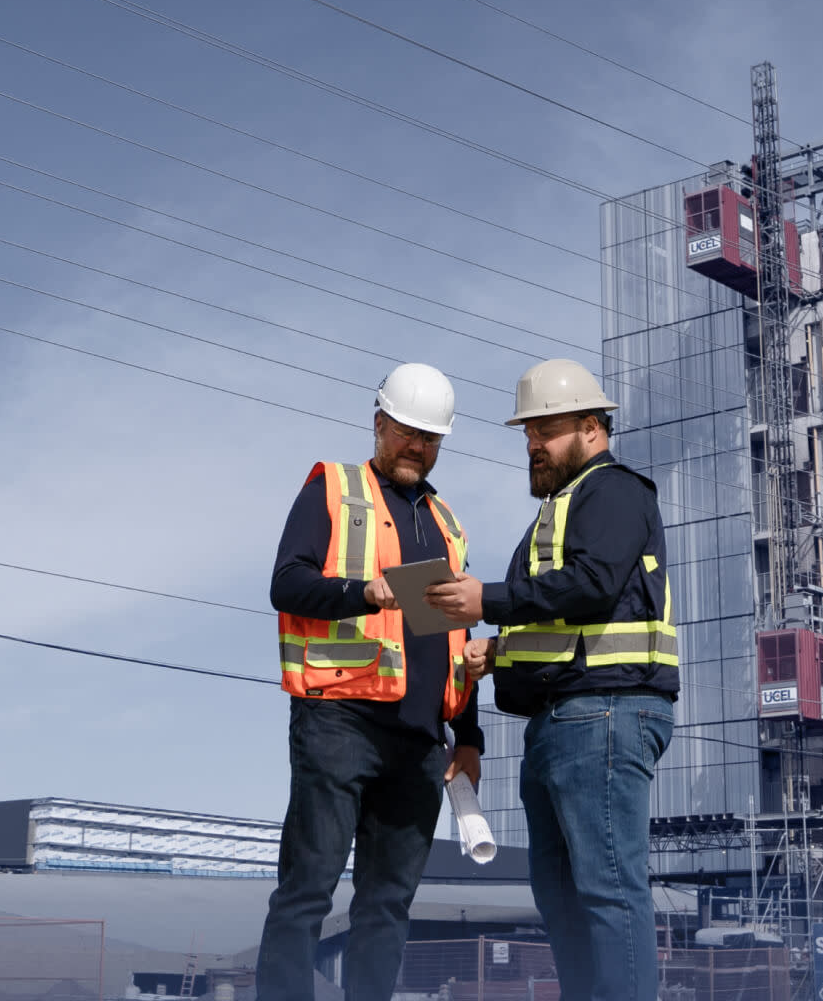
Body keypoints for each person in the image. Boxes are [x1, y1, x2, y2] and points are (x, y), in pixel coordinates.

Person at [425, 357, 676, 1001]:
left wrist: (489, 602)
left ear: (592, 428)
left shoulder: (615, 491)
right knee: (564, 897)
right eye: (527, 432)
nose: (532, 444)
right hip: (566, 721)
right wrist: (497, 655)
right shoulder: (561, 510)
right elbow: (567, 629)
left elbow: (593, 587)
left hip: (607, 715)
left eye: (546, 429)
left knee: (608, 888)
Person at [256, 362, 484, 1001]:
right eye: (408, 431)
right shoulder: (333, 488)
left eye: (431, 437)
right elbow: (286, 583)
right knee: (308, 887)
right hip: (339, 722)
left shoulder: (448, 525)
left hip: (419, 738)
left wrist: (468, 735)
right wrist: (365, 591)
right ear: (379, 423)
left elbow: (453, 640)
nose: (418, 446)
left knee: (387, 904)